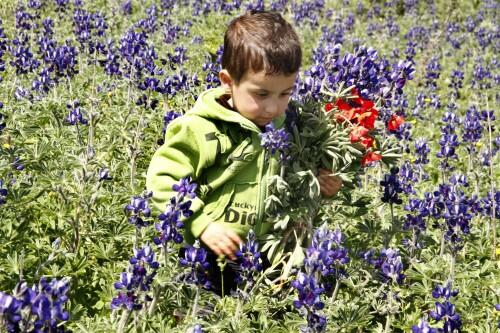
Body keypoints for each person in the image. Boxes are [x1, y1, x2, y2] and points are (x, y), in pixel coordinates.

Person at [146, 10, 342, 296]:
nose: (273, 107)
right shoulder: (201, 128)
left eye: (285, 93)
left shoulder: (291, 126)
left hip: (270, 252)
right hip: (208, 252)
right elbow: (163, 181)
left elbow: (296, 179)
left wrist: (321, 184)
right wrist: (200, 224)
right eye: (261, 94)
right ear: (228, 81)